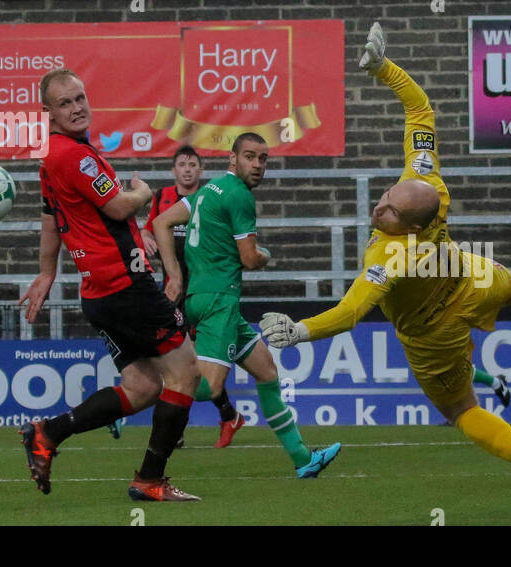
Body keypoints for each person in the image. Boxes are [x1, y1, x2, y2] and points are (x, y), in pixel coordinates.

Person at [259, 25, 511, 522]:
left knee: (459, 411)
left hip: (434, 331)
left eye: (389, 212)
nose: (380, 207)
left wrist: (299, 331)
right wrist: (383, 69)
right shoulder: (426, 181)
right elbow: (420, 110)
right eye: (386, 195)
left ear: (412, 226)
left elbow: (349, 315)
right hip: (467, 275)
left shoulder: (389, 257)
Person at [17, 67, 201, 501]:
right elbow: (119, 207)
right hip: (125, 285)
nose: (78, 107)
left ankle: (47, 433)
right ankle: (149, 479)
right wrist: (143, 192)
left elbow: (49, 219)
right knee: (186, 371)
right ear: (48, 112)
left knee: (142, 386)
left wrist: (47, 272)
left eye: (80, 97)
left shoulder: (52, 155)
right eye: (66, 103)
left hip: (98, 292)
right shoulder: (75, 157)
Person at [152, 132, 341, 478]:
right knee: (210, 387)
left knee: (267, 372)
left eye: (263, 158)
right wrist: (267, 255)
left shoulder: (208, 190)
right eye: (250, 157)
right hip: (219, 300)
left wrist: (174, 274)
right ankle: (140, 391)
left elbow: (160, 221)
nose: (257, 165)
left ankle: (303, 459)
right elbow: (251, 259)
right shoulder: (239, 197)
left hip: (205, 298)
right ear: (233, 158)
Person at [104, 145, 245, 449]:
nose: (187, 169)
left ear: (201, 170)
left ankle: (193, 422)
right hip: (173, 290)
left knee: (190, 365)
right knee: (179, 362)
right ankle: (223, 416)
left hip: (204, 289)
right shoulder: (162, 198)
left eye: (193, 164)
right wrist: (146, 237)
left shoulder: (211, 197)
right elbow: (148, 228)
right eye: (182, 164)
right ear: (174, 170)